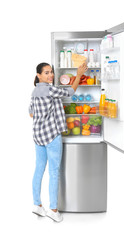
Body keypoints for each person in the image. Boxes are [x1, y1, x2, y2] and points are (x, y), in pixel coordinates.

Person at [29, 62, 88, 222]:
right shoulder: (49, 89)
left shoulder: (35, 91)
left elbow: (31, 114)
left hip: (38, 136)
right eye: (46, 73)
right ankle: (53, 210)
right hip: (52, 135)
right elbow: (70, 91)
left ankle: (37, 205)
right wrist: (79, 73)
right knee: (54, 172)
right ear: (38, 75)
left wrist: (45, 114)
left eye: (51, 72)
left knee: (39, 169)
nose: (51, 75)